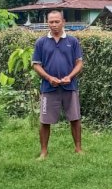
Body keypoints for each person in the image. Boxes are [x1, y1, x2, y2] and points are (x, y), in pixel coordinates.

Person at [32, 10, 84, 159]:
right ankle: (43, 151)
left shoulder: (72, 41)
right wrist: (49, 78)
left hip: (70, 86)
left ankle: (78, 148)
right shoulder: (41, 42)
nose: (54, 25)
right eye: (51, 22)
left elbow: (79, 63)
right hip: (49, 87)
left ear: (63, 22)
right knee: (45, 120)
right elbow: (36, 65)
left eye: (57, 21)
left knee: (75, 118)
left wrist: (70, 76)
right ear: (47, 23)